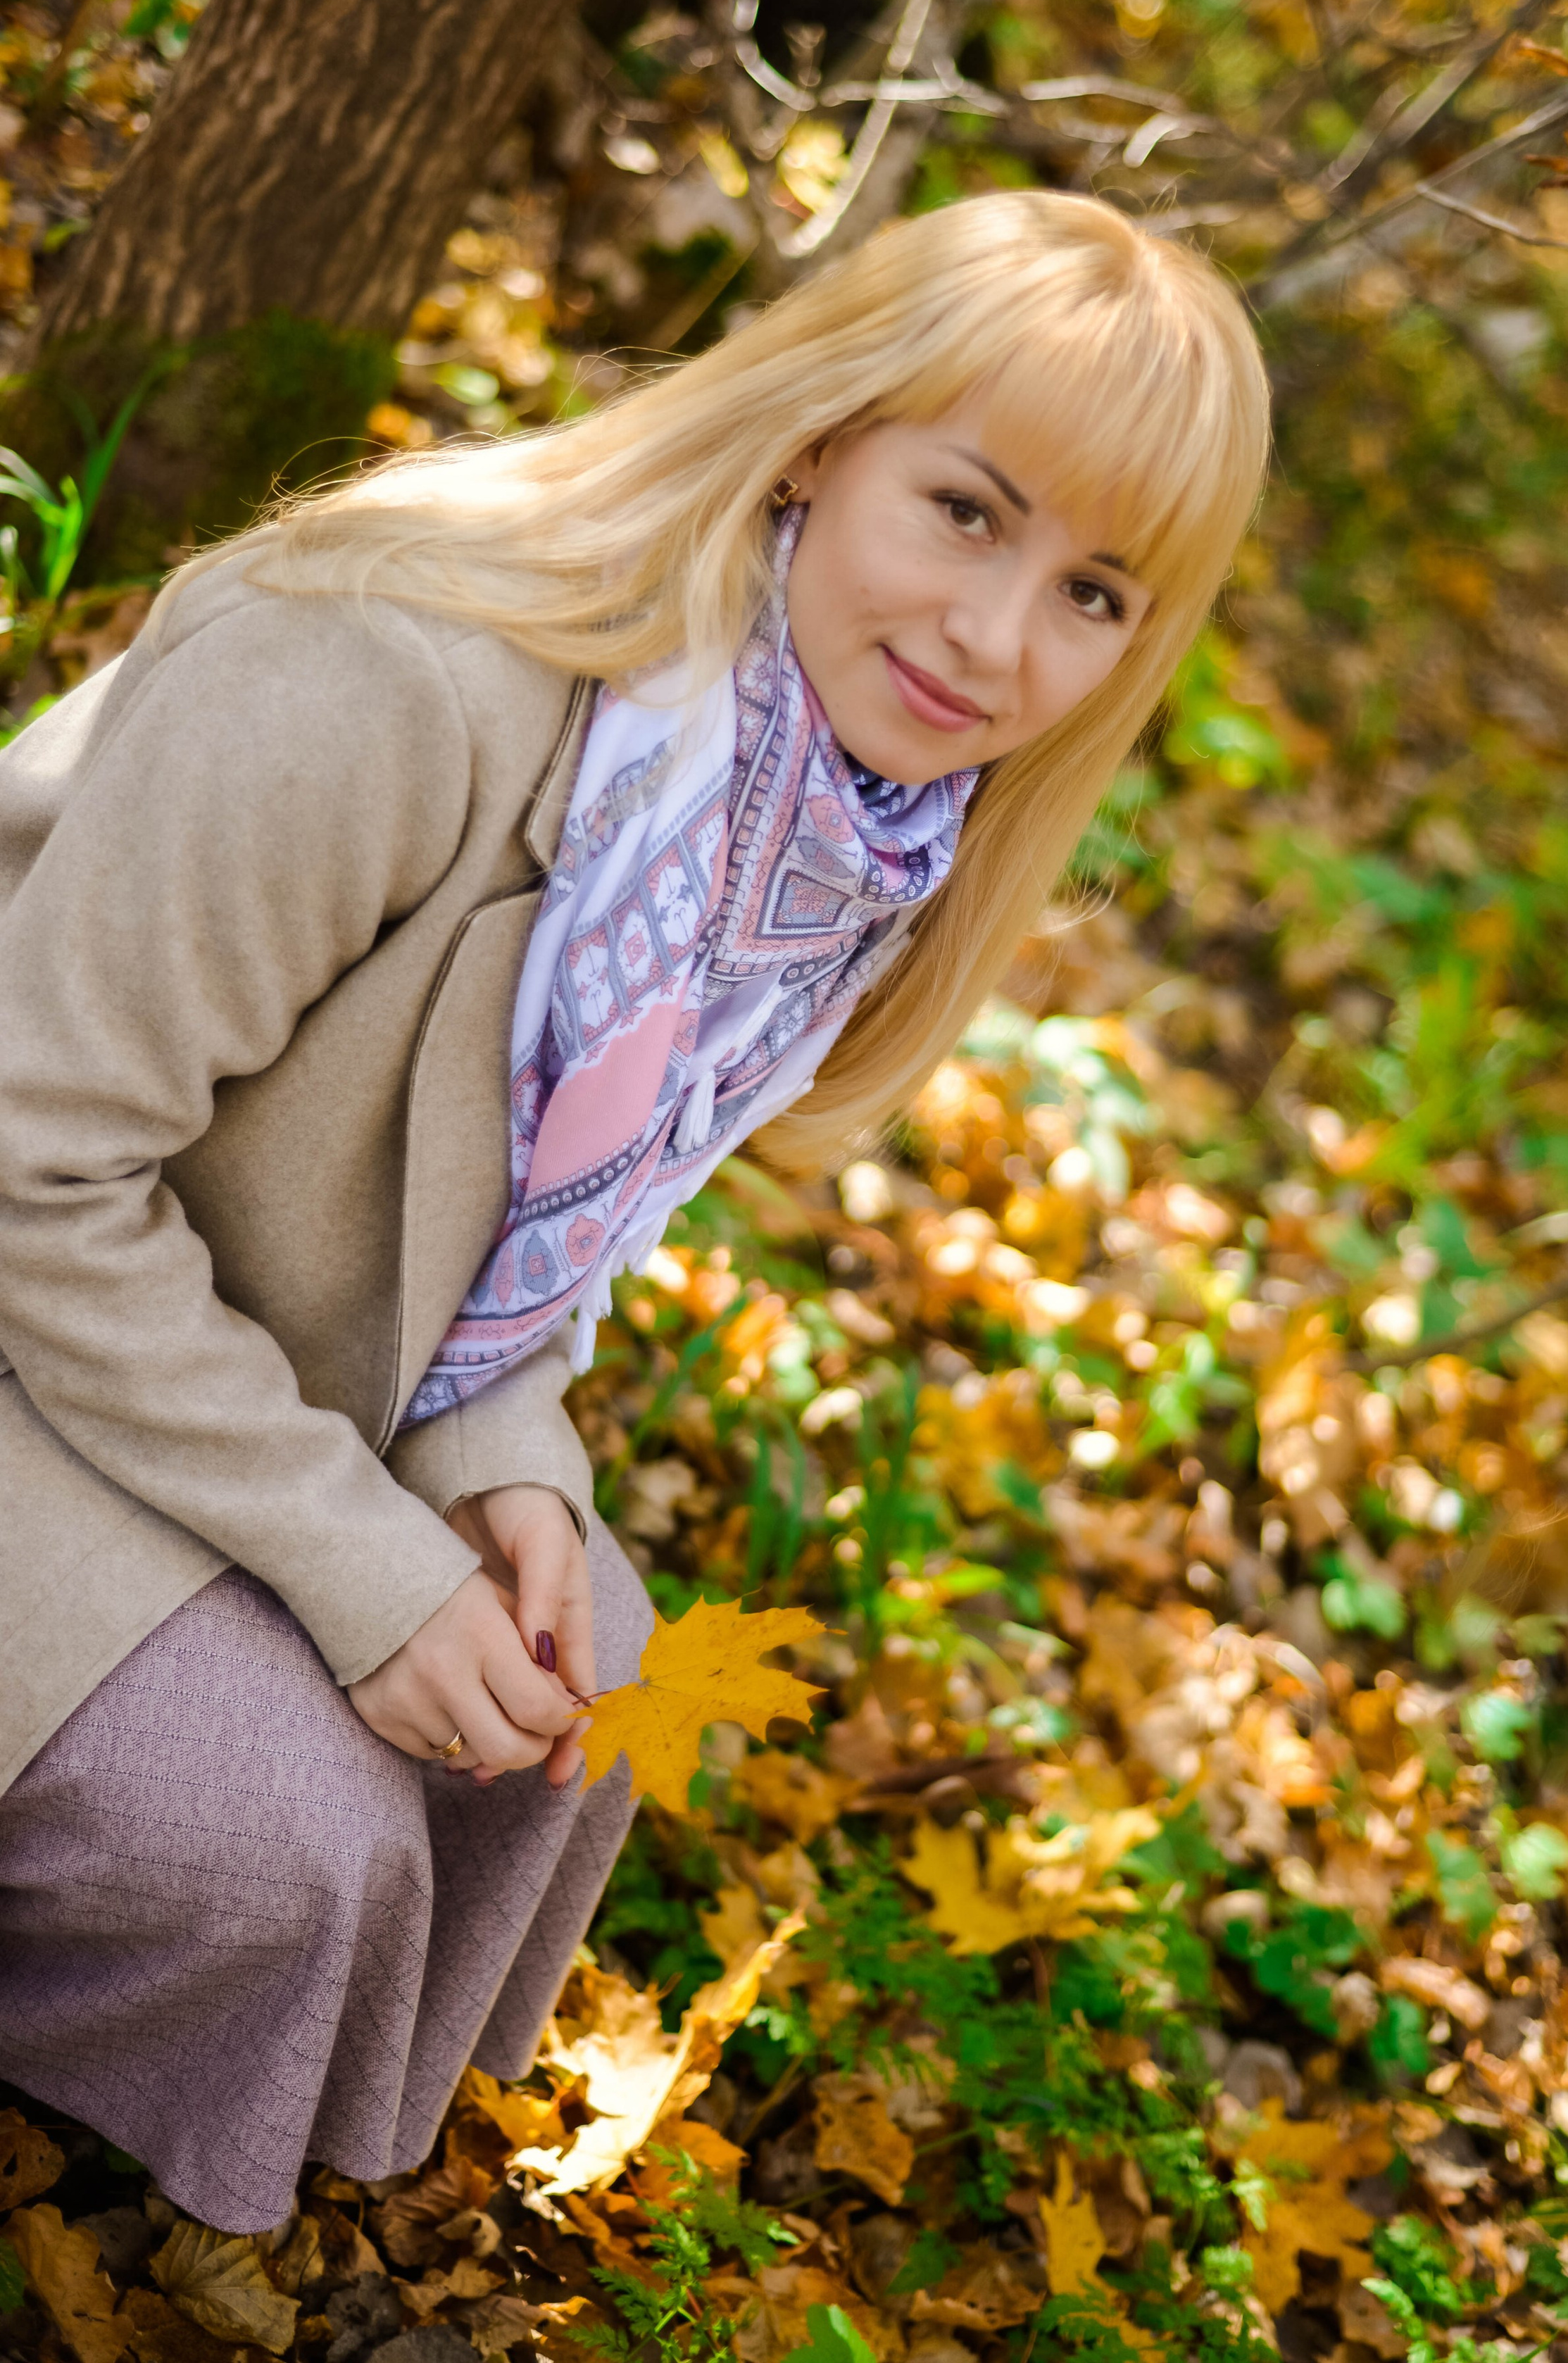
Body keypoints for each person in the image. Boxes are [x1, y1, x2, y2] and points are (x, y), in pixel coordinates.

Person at [0, 190, 1267, 2232]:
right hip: (24, 1280)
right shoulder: (391, 672)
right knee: (292, 1840)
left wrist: (501, 1453)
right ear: (818, 436)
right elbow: (31, 1162)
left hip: (202, 1328)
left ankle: (198, 2181)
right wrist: (354, 1566)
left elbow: (506, 1246)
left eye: (1095, 593)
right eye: (967, 509)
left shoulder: (810, 833)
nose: (996, 640)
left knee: (579, 1698)